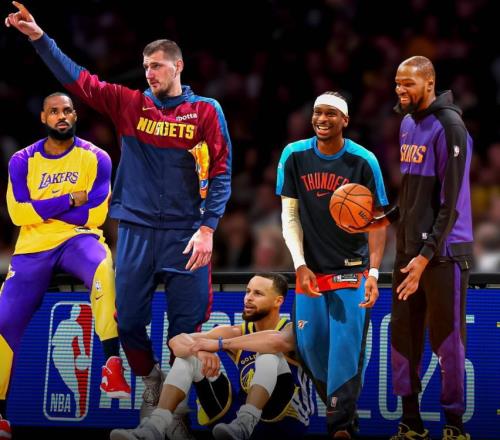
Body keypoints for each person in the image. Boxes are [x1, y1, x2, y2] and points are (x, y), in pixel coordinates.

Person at [5, 1, 232, 419]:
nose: (150, 73)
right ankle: (151, 381)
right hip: (136, 230)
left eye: (157, 66)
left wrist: (208, 228)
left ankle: (174, 413)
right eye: (146, 67)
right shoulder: (130, 104)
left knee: (185, 331)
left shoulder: (205, 111)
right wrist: (40, 38)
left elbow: (221, 171)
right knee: (126, 321)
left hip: (186, 233)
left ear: (178, 66)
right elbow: (79, 80)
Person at [0, 92, 131, 438]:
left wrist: (43, 209)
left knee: (104, 268)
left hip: (79, 239)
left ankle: (112, 366)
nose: (62, 116)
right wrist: (70, 198)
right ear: (43, 117)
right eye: (54, 111)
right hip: (33, 247)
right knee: (3, 320)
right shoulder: (22, 160)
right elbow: (18, 214)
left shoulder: (97, 157)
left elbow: (96, 214)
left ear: (75, 116)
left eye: (67, 110)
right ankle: (0, 414)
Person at [276, 91, 388, 439]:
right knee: (309, 347)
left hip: (351, 269)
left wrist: (373, 273)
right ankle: (343, 416)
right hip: (311, 271)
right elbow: (290, 216)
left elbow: (378, 222)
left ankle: (339, 425)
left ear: (345, 120)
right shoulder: (294, 155)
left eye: (330, 114)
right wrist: (299, 264)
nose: (322, 119)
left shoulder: (363, 161)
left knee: (344, 353)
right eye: (317, 112)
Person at [109, 273, 315, 440]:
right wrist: (198, 350)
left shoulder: (291, 329)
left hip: (286, 421)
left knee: (268, 356)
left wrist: (219, 344)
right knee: (188, 359)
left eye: (258, 293)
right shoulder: (237, 331)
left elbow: (277, 342)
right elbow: (176, 342)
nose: (248, 298)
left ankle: (246, 421)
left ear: (278, 301)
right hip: (235, 424)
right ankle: (154, 427)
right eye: (247, 291)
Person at [390, 56, 473, 440]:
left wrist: (424, 258)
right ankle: (411, 423)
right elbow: (413, 194)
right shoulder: (407, 123)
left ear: (429, 83)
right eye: (397, 83)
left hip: (443, 254)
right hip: (409, 251)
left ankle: (454, 425)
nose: (400, 90)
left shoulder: (450, 126)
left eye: (408, 83)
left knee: (447, 341)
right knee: (403, 337)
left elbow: (449, 203)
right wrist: (387, 216)